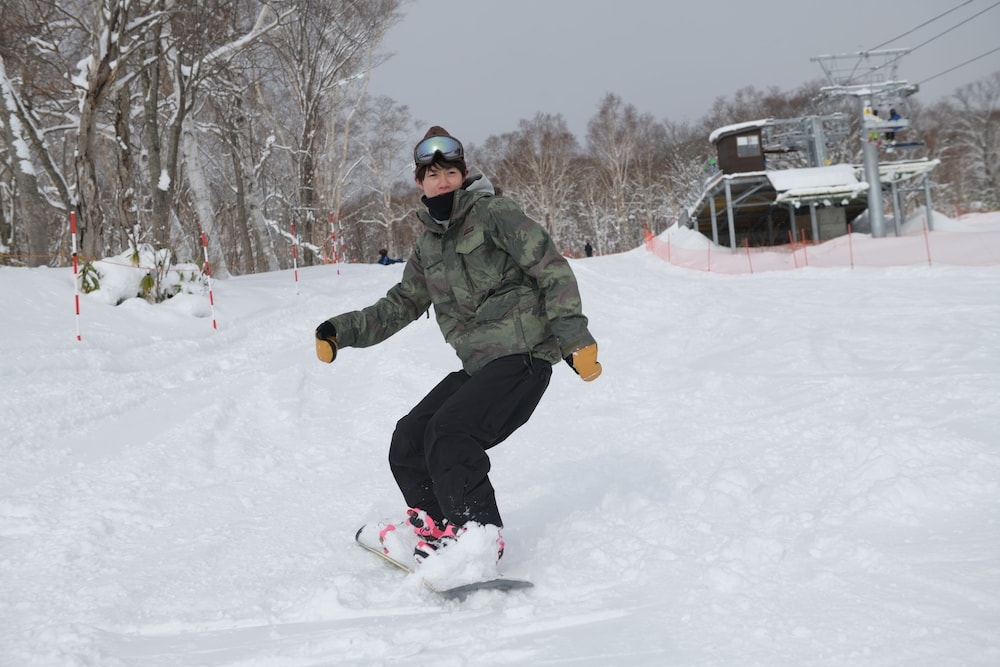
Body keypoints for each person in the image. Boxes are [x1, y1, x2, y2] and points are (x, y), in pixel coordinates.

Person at [315, 126, 601, 572]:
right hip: (480, 365)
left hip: (524, 356)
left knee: (450, 432)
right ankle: (433, 527)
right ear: (419, 183)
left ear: (464, 174)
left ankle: (479, 536)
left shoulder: (494, 214)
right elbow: (403, 303)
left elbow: (551, 268)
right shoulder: (429, 243)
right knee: (410, 436)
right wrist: (341, 330)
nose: (442, 181)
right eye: (432, 175)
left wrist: (574, 340)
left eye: (450, 171)